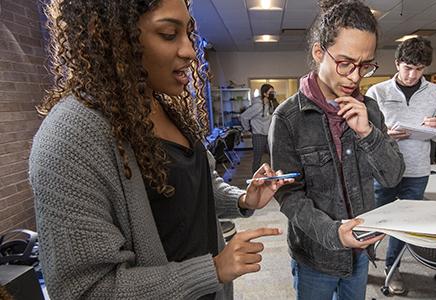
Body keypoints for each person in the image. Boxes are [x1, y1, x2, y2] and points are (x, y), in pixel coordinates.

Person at [28, 0, 293, 299]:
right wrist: (213, 270)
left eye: (188, 34)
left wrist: (244, 199)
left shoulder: (164, 107)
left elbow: (195, 188)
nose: (190, 51)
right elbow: (88, 290)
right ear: (111, 35)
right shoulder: (71, 136)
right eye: (169, 34)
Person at [269, 1, 405, 299]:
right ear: (319, 53)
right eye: (345, 63)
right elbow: (289, 195)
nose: (355, 77)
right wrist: (333, 234)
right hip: (316, 254)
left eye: (365, 65)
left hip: (360, 249)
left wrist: (368, 133)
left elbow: (393, 176)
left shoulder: (369, 109)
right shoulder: (288, 118)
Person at [365, 36, 436, 295]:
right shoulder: (377, 92)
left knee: (403, 226)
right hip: (383, 170)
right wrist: (384, 134)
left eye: (420, 69)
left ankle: (393, 270)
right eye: (408, 68)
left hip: (417, 171)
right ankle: (360, 264)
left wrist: (435, 129)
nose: (413, 75)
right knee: (371, 222)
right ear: (397, 63)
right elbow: (362, 134)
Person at [241, 84, 278, 173]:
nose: (273, 93)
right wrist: (248, 129)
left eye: (273, 91)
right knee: (257, 159)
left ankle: (275, 177)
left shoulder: (271, 104)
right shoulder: (258, 106)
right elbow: (244, 117)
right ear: (265, 93)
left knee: (274, 157)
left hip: (269, 136)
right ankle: (255, 180)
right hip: (258, 136)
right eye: (271, 92)